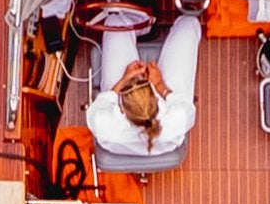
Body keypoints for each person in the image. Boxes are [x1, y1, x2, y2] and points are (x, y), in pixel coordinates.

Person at [87, 10, 202, 161]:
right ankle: (149, 23)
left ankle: (145, 24)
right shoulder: (176, 120)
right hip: (164, 95)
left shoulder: (103, 124)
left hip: (128, 115)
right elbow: (186, 107)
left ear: (122, 108)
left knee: (115, 22)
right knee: (189, 23)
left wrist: (124, 78)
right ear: (155, 98)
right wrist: (160, 85)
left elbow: (102, 102)